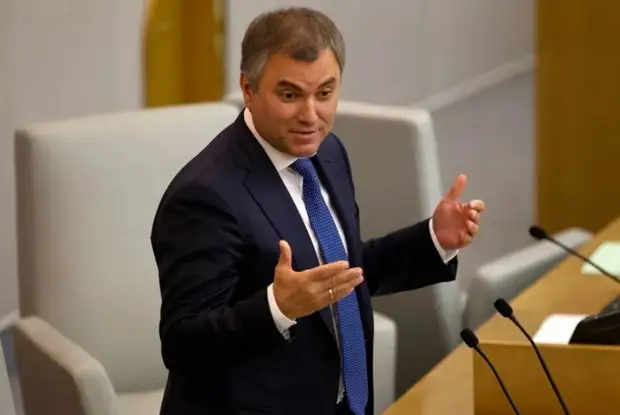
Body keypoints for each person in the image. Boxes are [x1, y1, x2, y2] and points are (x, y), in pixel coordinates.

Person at [150, 6, 485, 415]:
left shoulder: (327, 152)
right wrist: (277, 308)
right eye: (290, 95)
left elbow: (341, 273)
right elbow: (182, 343)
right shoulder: (204, 195)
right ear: (248, 89)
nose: (311, 116)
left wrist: (433, 239)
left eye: (325, 93)